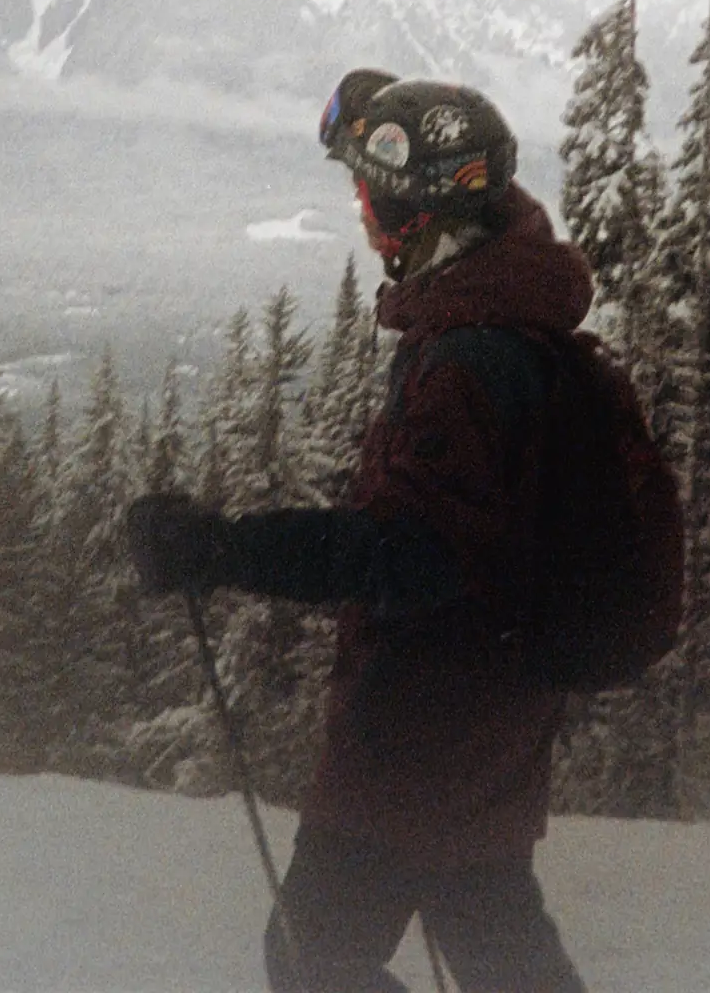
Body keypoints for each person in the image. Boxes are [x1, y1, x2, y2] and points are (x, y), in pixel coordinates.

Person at [128, 69, 594, 993]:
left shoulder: (472, 358)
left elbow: (409, 555)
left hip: (421, 736)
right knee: (499, 951)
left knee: (313, 961)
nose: (360, 210)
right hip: (488, 721)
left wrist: (222, 549)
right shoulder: (498, 320)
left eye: (368, 194)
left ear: (416, 215)